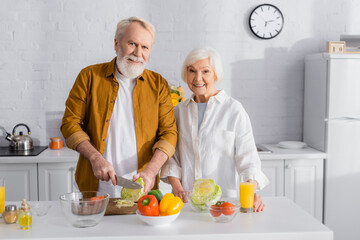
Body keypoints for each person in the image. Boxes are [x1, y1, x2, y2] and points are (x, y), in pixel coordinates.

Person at [61, 17, 177, 196]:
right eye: (132, 43)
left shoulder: (158, 84)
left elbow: (169, 133)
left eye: (145, 47)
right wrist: (95, 157)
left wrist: (151, 171)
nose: (138, 53)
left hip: (141, 189)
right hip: (94, 188)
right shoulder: (89, 76)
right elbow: (70, 124)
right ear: (116, 43)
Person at [160, 48, 269, 212]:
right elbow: (172, 156)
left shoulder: (233, 110)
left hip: (223, 204)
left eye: (205, 71)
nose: (198, 78)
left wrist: (251, 192)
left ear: (216, 75)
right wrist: (177, 187)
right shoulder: (179, 111)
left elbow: (248, 160)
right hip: (186, 204)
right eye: (192, 71)